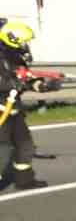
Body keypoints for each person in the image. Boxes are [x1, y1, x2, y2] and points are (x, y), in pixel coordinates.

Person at [0, 19, 47, 191]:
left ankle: (24, 180)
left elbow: (25, 76)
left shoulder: (16, 56)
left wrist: (40, 85)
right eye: (23, 41)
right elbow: (7, 81)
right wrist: (15, 84)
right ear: (11, 38)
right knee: (2, 150)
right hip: (1, 109)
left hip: (14, 107)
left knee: (25, 145)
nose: (25, 45)